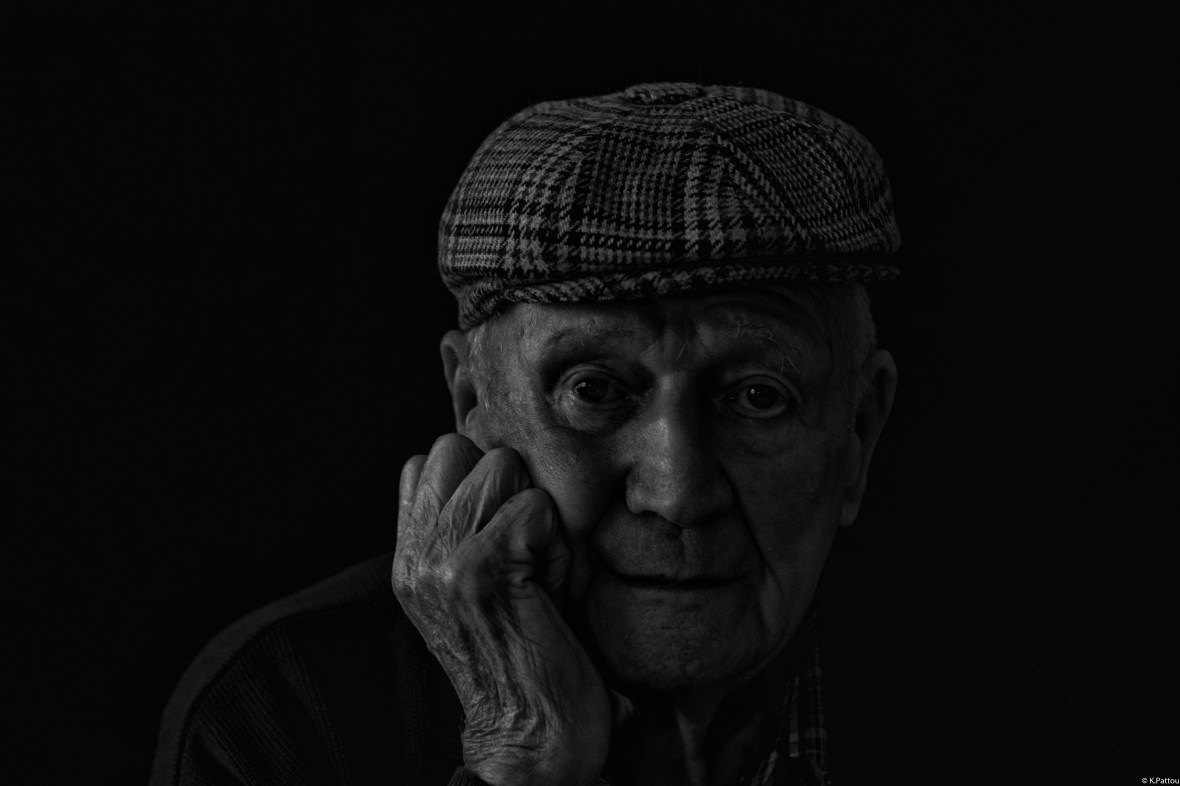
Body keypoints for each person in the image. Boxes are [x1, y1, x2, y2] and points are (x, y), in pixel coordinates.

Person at [150, 83, 1131, 786]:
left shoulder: (1019, 737)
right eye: (593, 389)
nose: (676, 490)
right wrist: (520, 759)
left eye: (755, 397)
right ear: (470, 407)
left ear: (860, 433)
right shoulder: (282, 720)